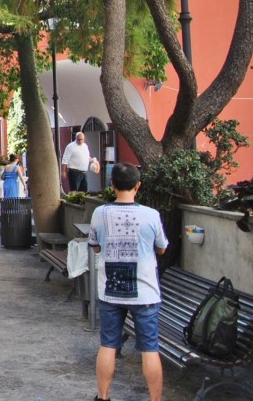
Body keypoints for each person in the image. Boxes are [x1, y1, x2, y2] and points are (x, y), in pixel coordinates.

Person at [87, 162, 168, 401]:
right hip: (145, 292)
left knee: (108, 345)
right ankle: (155, 399)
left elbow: (95, 246)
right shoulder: (151, 215)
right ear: (138, 186)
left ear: (112, 185)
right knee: (150, 348)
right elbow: (162, 248)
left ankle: (103, 397)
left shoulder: (100, 213)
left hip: (111, 290)